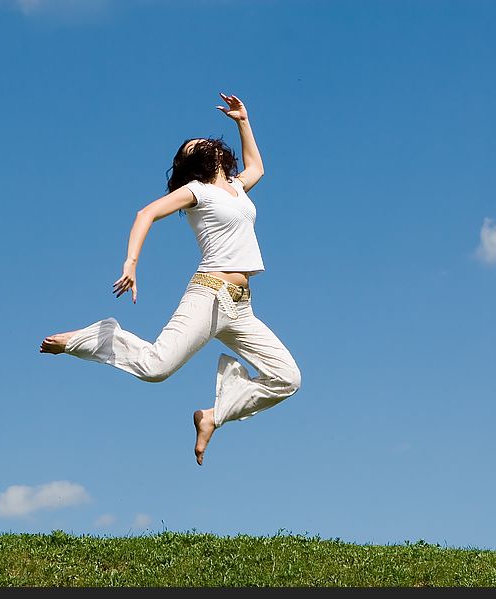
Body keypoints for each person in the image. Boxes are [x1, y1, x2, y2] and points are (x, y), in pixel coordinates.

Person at [40, 92, 301, 465]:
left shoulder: (237, 188)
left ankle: (212, 417)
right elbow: (146, 213)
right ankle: (89, 338)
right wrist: (131, 263)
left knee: (287, 378)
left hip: (241, 308)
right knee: (155, 368)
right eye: (196, 146)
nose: (205, 144)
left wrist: (243, 121)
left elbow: (257, 168)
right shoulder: (196, 191)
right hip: (209, 295)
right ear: (193, 162)